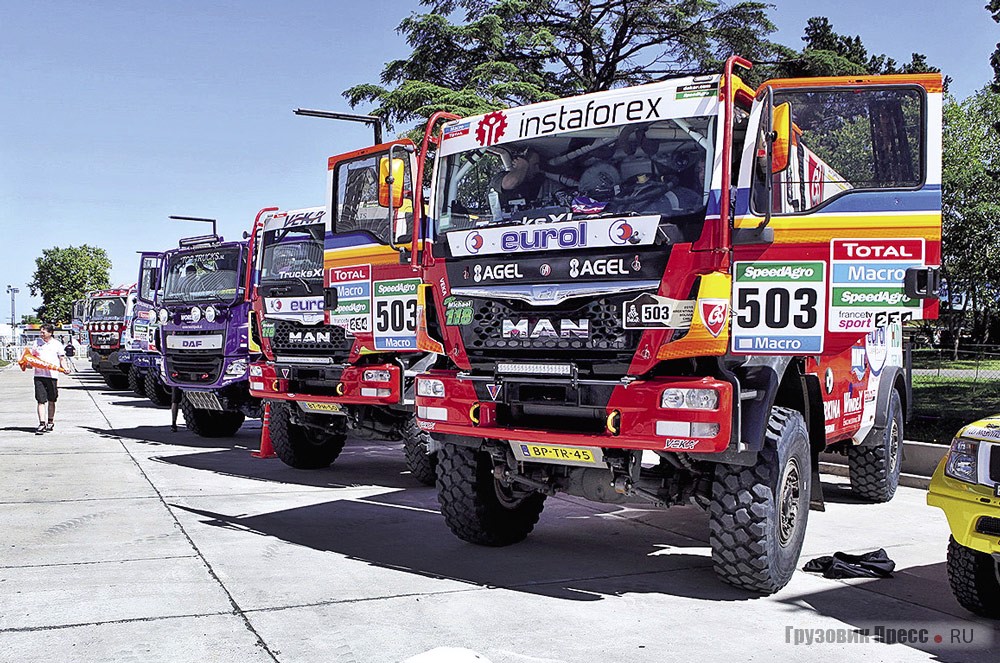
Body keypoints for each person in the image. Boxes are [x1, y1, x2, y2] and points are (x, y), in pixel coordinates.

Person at [31, 323, 70, 435]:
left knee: (52, 399)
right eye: (41, 332)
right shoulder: (36, 343)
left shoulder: (57, 344)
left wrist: (65, 368)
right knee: (40, 400)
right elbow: (32, 358)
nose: (41, 334)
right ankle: (42, 423)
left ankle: (50, 421)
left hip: (52, 376)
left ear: (50, 333)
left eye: (43, 332)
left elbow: (62, 359)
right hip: (39, 375)